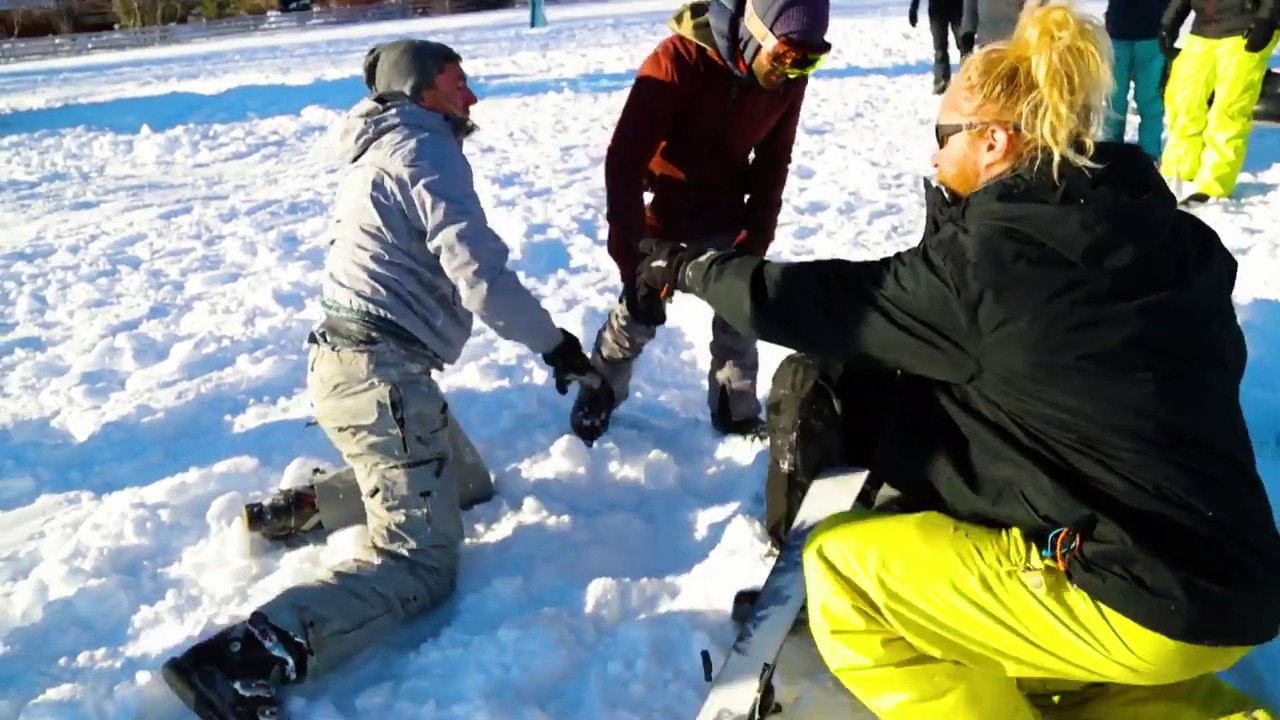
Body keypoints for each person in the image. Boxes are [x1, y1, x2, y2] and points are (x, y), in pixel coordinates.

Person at [633, 3, 1280, 717]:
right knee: (1069, 667)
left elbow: (819, 302)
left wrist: (691, 270)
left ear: (994, 141)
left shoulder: (988, 267)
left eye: (944, 139)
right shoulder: (1170, 237)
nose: (935, 158)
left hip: (1138, 597)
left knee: (842, 575)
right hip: (1236, 590)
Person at [160, 39, 602, 718]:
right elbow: (480, 277)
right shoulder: (424, 152)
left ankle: (304, 508)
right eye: (459, 83)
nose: (472, 97)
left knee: (469, 484)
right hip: (380, 381)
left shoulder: (384, 144)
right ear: (422, 91)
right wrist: (557, 347)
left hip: (358, 370)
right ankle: (248, 655)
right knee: (421, 564)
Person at [568, 0, 831, 445]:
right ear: (754, 33)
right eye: (788, 55)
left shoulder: (788, 80)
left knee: (739, 313)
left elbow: (773, 161)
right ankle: (599, 391)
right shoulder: (677, 61)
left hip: (726, 203)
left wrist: (756, 238)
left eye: (811, 60)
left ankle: (736, 409)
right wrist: (633, 258)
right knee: (638, 312)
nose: (794, 71)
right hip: (663, 207)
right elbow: (624, 160)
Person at [1160, 0, 1279, 205]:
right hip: (1204, 28)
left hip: (1247, 26)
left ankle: (1214, 184)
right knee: (1183, 99)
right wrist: (1168, 23)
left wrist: (1266, 19)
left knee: (1229, 108)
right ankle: (1178, 170)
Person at [1101, 0, 1170, 161]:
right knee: (1115, 98)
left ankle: (1149, 156)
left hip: (1151, 34)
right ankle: (1113, 152)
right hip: (1121, 31)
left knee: (1148, 99)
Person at [909, 0, 966, 94]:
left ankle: (968, 78)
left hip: (958, 7)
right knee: (940, 47)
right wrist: (914, 7)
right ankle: (941, 81)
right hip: (937, 10)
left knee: (964, 45)